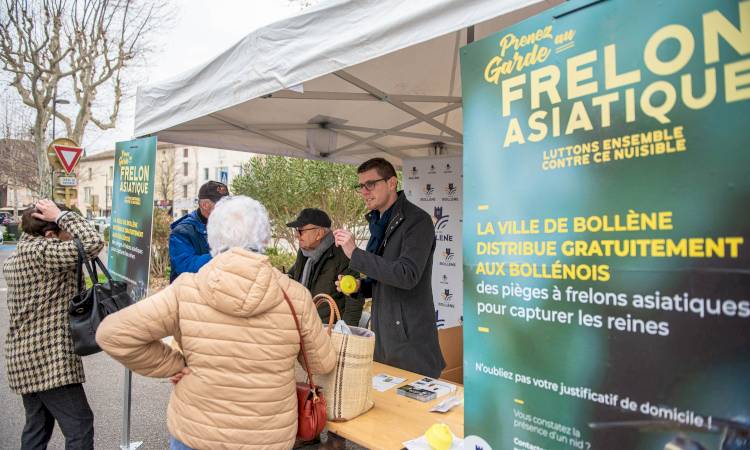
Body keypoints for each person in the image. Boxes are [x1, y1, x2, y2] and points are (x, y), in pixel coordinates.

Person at [96, 196, 336, 450]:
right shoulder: (295, 296)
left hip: (196, 433)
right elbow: (323, 362)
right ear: (265, 240)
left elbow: (113, 334)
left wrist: (176, 363)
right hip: (267, 438)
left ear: (212, 238)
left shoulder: (187, 288)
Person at [3, 199, 104, 450]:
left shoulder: (20, 253)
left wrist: (60, 218)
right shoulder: (44, 252)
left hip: (24, 356)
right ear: (50, 234)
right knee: (79, 425)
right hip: (48, 360)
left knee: (37, 428)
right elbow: (92, 244)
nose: (69, 235)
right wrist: (62, 215)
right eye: (63, 230)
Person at [333, 158, 445, 378]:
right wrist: (359, 287)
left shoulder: (417, 221)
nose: (364, 191)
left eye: (371, 184)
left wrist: (355, 253)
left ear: (392, 183)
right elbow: (384, 279)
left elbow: (406, 275)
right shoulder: (379, 223)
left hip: (410, 343)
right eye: (361, 186)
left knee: (412, 411)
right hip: (385, 340)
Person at [287, 208, 363, 325]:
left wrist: (346, 333)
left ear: (320, 233)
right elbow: (294, 275)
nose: (297, 235)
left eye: (301, 230)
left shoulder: (342, 254)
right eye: (296, 230)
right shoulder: (304, 253)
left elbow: (354, 300)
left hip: (328, 331)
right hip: (303, 326)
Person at [169, 180, 229, 282]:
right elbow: (186, 267)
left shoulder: (226, 225)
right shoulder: (181, 232)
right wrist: (220, 254)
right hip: (188, 293)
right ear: (205, 205)